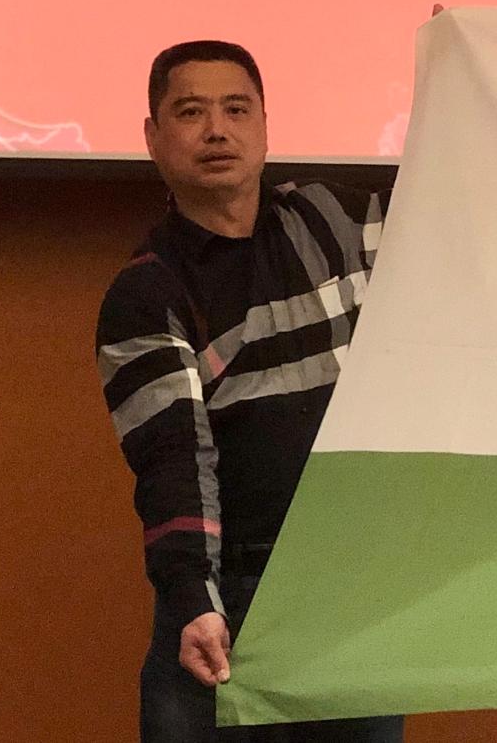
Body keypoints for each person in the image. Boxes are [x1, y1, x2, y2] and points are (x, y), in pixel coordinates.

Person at [96, 40, 404, 741]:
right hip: (229, 605)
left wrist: (459, 82)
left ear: (265, 125)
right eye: (191, 112)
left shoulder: (330, 221)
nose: (217, 130)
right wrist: (193, 598)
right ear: (152, 137)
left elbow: (451, 208)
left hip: (350, 590)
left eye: (236, 109)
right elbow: (175, 461)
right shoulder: (147, 292)